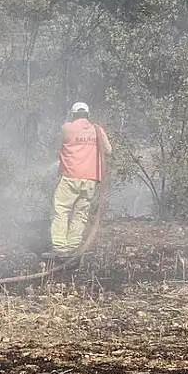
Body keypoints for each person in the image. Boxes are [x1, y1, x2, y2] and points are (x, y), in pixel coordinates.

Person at [48, 102, 112, 258]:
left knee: (61, 210)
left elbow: (58, 144)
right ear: (88, 114)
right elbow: (108, 151)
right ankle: (73, 247)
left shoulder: (67, 128)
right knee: (80, 214)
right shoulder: (98, 130)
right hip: (90, 179)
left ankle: (60, 248)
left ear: (73, 114)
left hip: (70, 177)